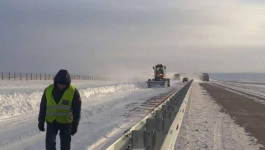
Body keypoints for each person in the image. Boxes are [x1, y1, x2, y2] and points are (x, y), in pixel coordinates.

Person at [38, 69, 81, 150]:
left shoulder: (73, 91)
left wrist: (75, 124)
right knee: (50, 144)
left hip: (66, 123)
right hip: (52, 122)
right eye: (59, 84)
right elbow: (43, 106)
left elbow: (77, 109)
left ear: (67, 83)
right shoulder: (48, 90)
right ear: (56, 82)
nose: (61, 86)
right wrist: (41, 121)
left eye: (64, 84)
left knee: (65, 145)